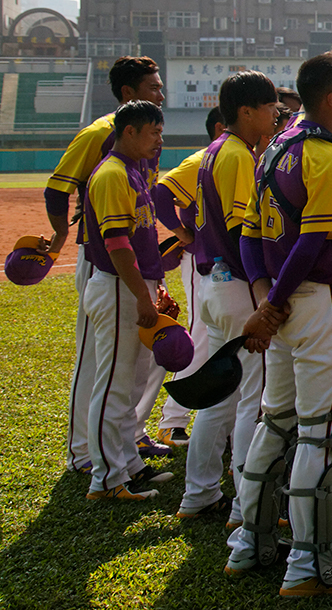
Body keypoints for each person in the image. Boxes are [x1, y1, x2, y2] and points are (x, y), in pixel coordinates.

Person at [228, 50, 332, 596]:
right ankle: (308, 565)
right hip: (314, 302)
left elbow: (247, 234)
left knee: (275, 420)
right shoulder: (324, 154)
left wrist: (266, 299)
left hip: (283, 304)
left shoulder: (273, 149)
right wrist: (274, 301)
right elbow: (315, 241)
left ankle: (249, 541)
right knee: (321, 430)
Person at [44, 56, 166, 474]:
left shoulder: (146, 138)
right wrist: (60, 237)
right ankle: (84, 451)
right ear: (128, 94)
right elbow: (56, 188)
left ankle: (125, 442)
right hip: (103, 257)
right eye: (153, 87)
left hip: (133, 258)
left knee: (132, 363)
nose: (161, 94)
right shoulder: (101, 134)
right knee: (95, 358)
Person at [176, 72, 279, 525]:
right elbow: (243, 233)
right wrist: (262, 292)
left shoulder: (217, 150)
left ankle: (198, 494)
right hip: (237, 286)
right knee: (251, 400)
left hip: (214, 284)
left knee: (220, 397)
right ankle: (246, 506)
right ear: (246, 111)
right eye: (270, 108)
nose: (276, 115)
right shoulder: (236, 154)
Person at [80, 100, 172, 501]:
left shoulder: (133, 171)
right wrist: (141, 295)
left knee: (132, 380)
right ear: (129, 131)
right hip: (118, 286)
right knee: (115, 383)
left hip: (134, 286)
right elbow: (118, 247)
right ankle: (106, 479)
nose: (159, 140)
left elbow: (142, 238)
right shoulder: (113, 173)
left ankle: (128, 464)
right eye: (152, 132)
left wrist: (156, 287)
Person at [146, 106, 226, 450]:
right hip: (199, 263)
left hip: (217, 264)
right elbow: (161, 195)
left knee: (213, 337)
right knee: (201, 335)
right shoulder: (205, 158)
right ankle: (172, 420)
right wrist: (183, 234)